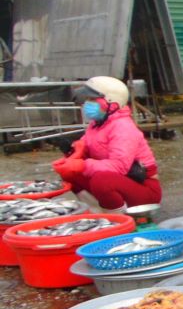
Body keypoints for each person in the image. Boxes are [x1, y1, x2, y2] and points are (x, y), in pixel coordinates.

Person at [51, 77, 161, 212]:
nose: (87, 104)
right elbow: (85, 150)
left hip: (143, 189)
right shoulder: (97, 124)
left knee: (102, 180)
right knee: (70, 174)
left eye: (92, 99)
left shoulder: (123, 128)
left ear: (111, 102)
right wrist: (71, 153)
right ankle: (95, 212)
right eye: (88, 99)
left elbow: (118, 166)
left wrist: (81, 165)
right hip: (119, 182)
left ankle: (119, 218)